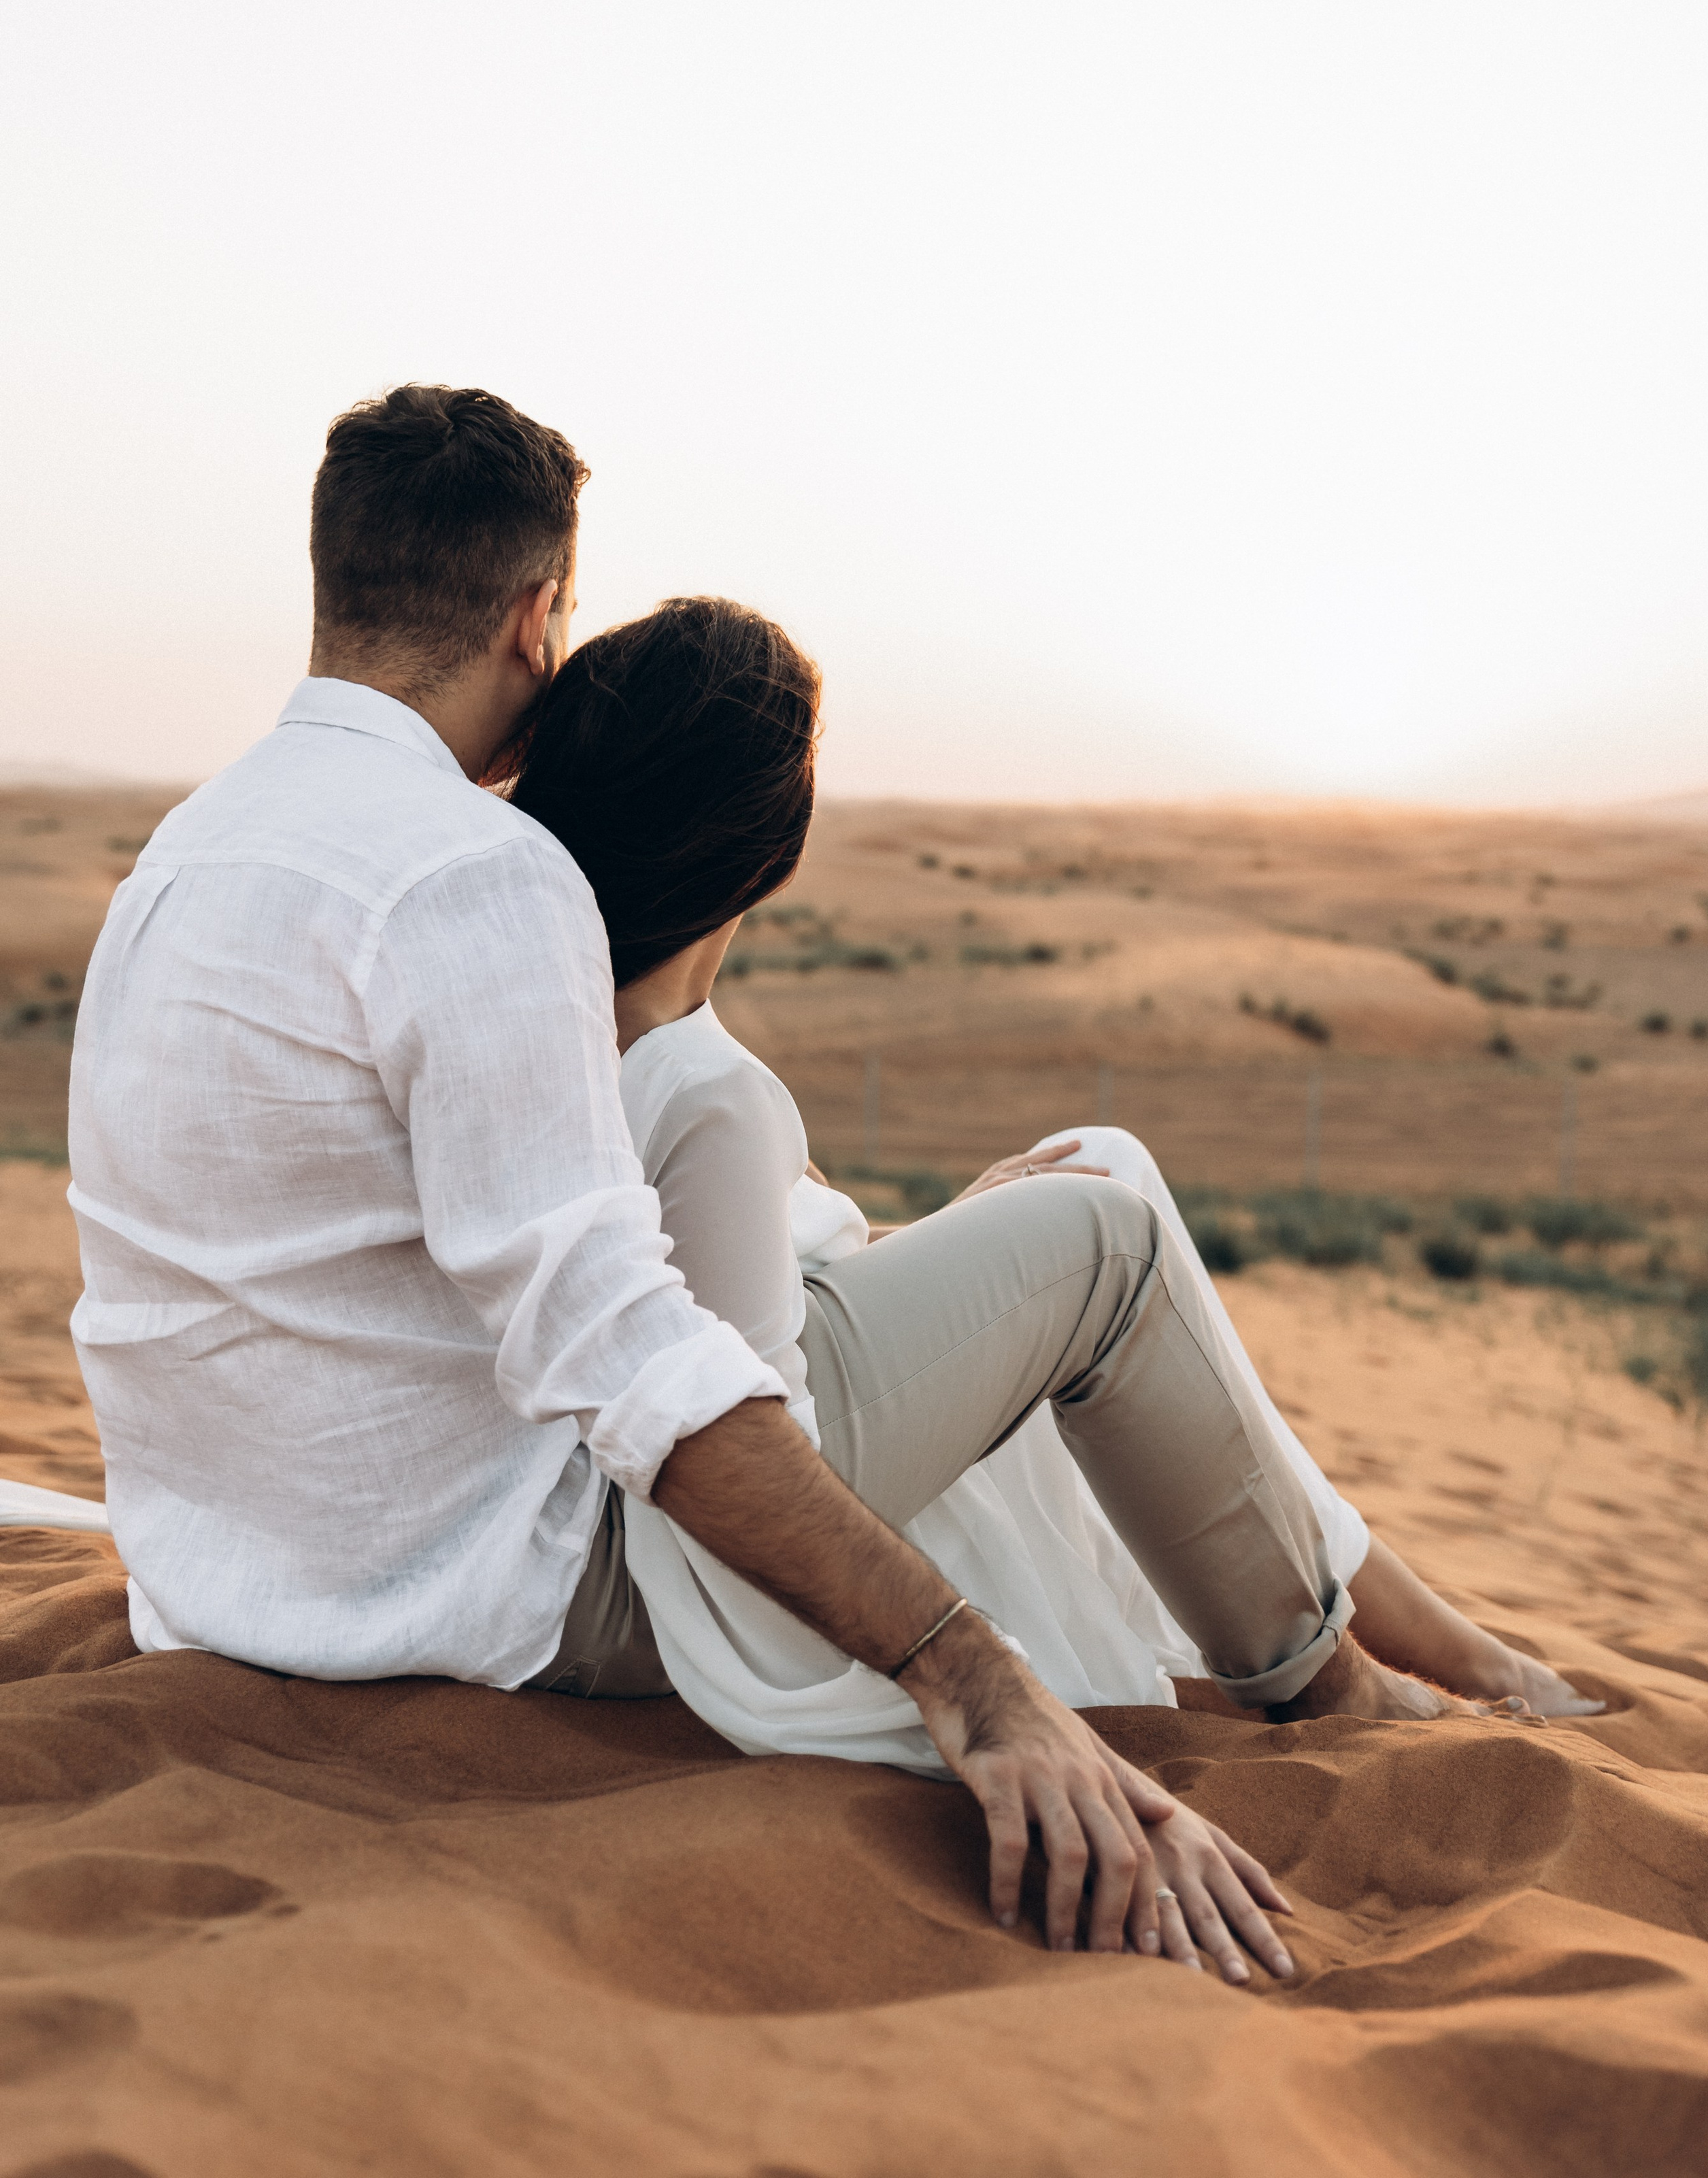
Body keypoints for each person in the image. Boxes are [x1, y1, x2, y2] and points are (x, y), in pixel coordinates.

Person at [60, 388, 1545, 1993]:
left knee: (981, 1260)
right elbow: (622, 1352)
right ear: (535, 617)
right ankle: (1328, 1697)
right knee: (1106, 1232)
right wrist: (968, 1674)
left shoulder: (181, 862)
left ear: (329, 579)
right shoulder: (475, 877)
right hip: (500, 1610)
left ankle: (1361, 1628)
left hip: (224, 1593)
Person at [506, 594, 1602, 1813]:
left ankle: (1428, 1628)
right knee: (1107, 1236)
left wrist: (947, 1249)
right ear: (772, 851)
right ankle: (1330, 1675)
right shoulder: (703, 1087)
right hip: (741, 1532)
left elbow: (700, 1298)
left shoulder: (556, 1027)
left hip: (731, 1420)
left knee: (1102, 1162)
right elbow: (762, 1448)